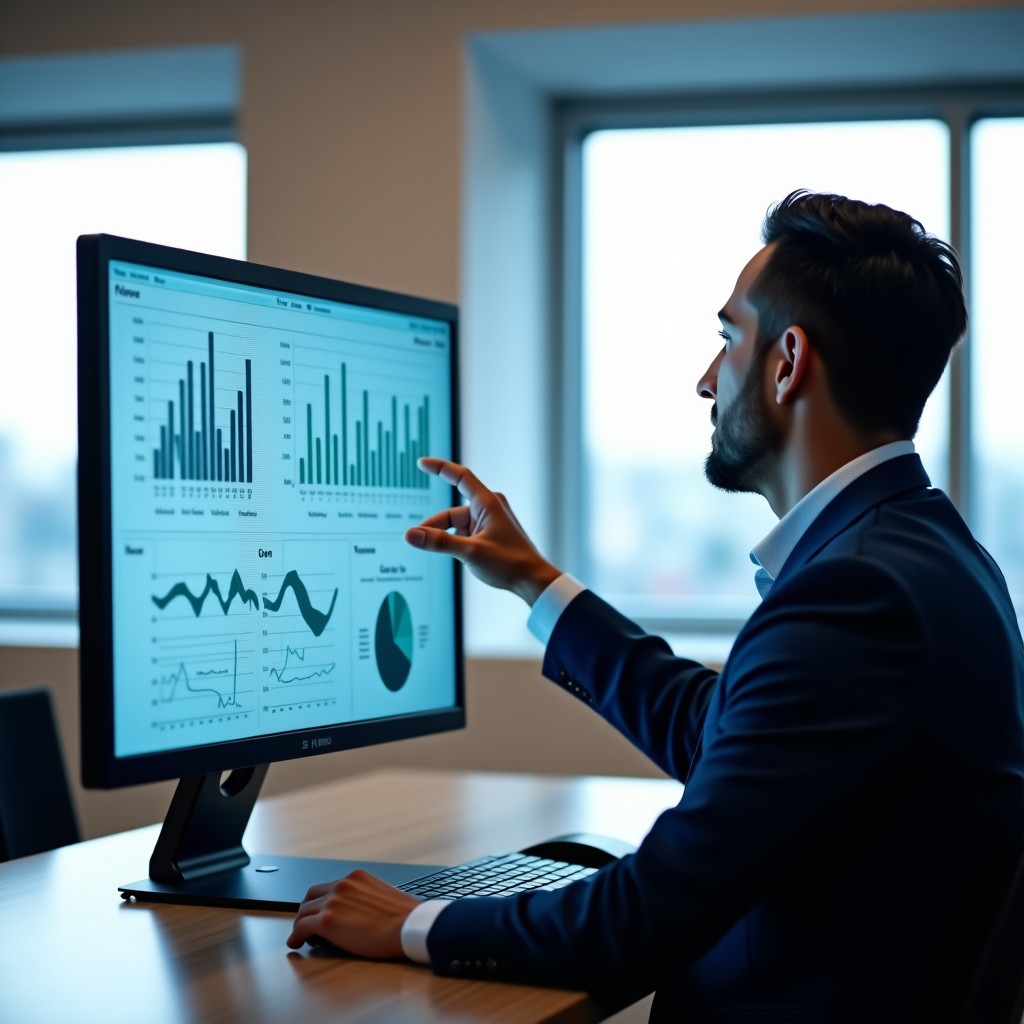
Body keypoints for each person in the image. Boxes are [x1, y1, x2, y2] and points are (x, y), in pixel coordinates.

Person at [287, 191, 1024, 1022]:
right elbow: (728, 734)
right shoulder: (929, 554)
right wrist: (537, 583)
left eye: (726, 340)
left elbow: (646, 913)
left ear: (788, 363)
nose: (706, 381)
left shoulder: (856, 593)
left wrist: (420, 922)